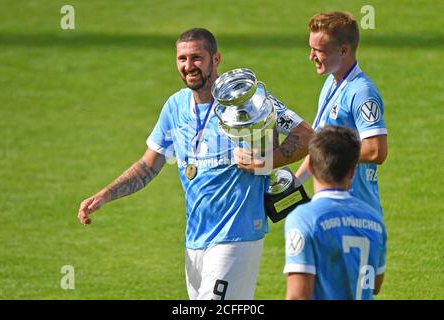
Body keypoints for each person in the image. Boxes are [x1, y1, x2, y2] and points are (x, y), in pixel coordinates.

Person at [77, 28, 313, 300]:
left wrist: (266, 160)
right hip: (195, 241)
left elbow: (307, 136)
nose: (189, 66)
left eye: (197, 58)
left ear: (216, 59)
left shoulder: (248, 102)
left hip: (237, 235)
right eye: (182, 59)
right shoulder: (175, 107)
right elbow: (148, 166)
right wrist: (106, 194)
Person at [295, 11, 388, 217]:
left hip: (357, 210)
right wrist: (294, 183)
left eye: (318, 50)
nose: (311, 56)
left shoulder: (362, 92)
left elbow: (376, 151)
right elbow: (320, 144)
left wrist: (330, 154)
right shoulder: (331, 83)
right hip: (332, 207)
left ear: (343, 50)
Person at [284, 126, 387, 300]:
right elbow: (375, 285)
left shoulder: (304, 219)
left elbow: (298, 296)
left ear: (309, 166)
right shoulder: (374, 220)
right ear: (353, 171)